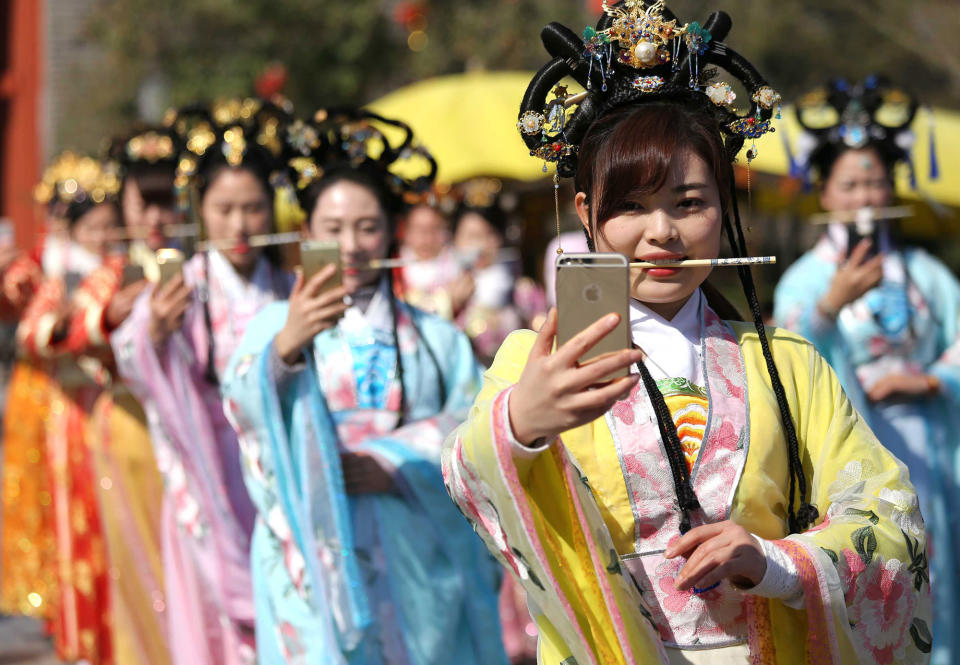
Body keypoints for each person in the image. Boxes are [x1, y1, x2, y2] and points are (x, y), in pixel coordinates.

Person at [443, 4, 931, 664]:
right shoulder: (537, 358)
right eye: (631, 206)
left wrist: (776, 562)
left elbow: (889, 515)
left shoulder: (788, 365)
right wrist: (520, 426)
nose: (662, 233)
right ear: (586, 212)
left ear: (724, 202)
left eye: (689, 202)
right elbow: (467, 476)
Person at [222, 108, 507, 665]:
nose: (350, 245)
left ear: (392, 231)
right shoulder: (270, 326)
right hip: (313, 546)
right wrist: (286, 348)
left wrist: (394, 460)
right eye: (331, 230)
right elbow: (241, 404)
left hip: (413, 547)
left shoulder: (435, 336)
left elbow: (475, 427)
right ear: (306, 233)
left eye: (367, 226)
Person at [774, 76, 958, 665]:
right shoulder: (803, 280)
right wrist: (829, 305)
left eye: (876, 180)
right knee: (868, 578)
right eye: (850, 183)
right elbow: (788, 365)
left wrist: (929, 380)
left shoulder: (927, 272)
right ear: (824, 192)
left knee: (940, 573)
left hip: (929, 443)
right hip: (851, 452)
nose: (865, 195)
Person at [110, 100, 293, 665]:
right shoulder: (179, 288)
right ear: (200, 211)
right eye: (224, 209)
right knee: (208, 634)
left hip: (277, 479)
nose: (240, 226)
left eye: (254, 208)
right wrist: (157, 336)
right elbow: (130, 357)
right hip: (206, 477)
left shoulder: (291, 290)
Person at [58, 125, 185, 665]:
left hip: (194, 432)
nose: (156, 217)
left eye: (166, 201)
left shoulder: (201, 266)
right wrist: (112, 314)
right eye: (144, 203)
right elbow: (69, 329)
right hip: (131, 431)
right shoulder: (111, 275)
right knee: (140, 566)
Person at [15, 152, 121, 664]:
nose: (104, 235)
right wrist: (76, 325)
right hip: (74, 416)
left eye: (111, 226)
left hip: (119, 417)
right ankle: (80, 637)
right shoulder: (62, 279)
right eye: (95, 226)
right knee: (76, 524)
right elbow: (31, 333)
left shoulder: (124, 272)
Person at [449, 179, 546, 365]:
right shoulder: (443, 289)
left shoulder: (523, 289)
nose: (480, 246)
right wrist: (451, 305)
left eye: (488, 235)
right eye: (471, 236)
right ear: (454, 239)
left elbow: (542, 333)